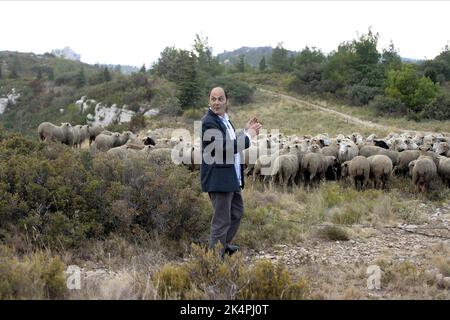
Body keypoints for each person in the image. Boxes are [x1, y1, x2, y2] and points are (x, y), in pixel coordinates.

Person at [200, 87, 262, 257]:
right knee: (221, 221)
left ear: (227, 101)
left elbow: (232, 140)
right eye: (213, 99)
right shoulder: (208, 122)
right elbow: (224, 148)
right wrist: (248, 136)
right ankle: (213, 262)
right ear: (209, 100)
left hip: (230, 177)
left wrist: (244, 130)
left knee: (236, 212)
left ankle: (223, 246)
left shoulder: (224, 120)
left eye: (220, 99)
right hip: (219, 179)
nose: (216, 102)